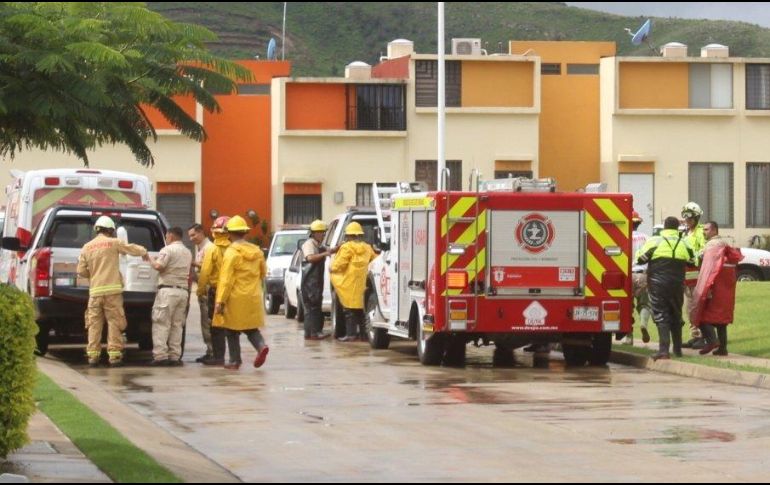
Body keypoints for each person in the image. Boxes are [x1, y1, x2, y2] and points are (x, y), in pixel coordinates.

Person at [77, 215, 149, 367]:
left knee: (94, 325)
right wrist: (144, 252)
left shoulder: (86, 247)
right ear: (110, 230)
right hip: (112, 292)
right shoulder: (113, 243)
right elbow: (131, 249)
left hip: (95, 292)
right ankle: (114, 357)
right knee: (114, 322)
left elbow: (81, 271)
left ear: (97, 229)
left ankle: (93, 357)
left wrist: (94, 274)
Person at [214, 215, 270, 370]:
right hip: (253, 295)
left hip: (235, 296)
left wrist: (220, 301)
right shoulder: (257, 252)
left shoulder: (231, 253)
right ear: (245, 232)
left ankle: (234, 360)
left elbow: (226, 280)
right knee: (251, 328)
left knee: (231, 330)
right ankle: (261, 346)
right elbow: (263, 272)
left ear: (229, 234)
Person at [636, 216, 694, 361]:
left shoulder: (655, 241)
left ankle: (663, 351)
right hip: (677, 284)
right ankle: (678, 350)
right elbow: (693, 260)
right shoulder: (684, 242)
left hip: (658, 284)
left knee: (661, 315)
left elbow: (640, 258)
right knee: (676, 313)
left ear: (664, 227)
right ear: (676, 228)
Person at [689, 221, 743, 356]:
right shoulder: (726, 245)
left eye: (706, 229)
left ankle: (712, 341)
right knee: (721, 321)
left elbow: (706, 267)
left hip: (714, 289)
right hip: (726, 291)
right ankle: (722, 349)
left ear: (714, 230)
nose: (704, 232)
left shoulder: (711, 246)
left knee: (699, 316)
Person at [148, 227, 192, 366]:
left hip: (167, 292)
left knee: (161, 323)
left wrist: (149, 259)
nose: (166, 238)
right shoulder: (188, 252)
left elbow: (159, 266)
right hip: (183, 292)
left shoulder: (167, 250)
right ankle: (175, 356)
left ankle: (160, 356)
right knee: (177, 325)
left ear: (171, 236)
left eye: (167, 235)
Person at [330, 222, 377, 342]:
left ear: (349, 235)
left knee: (349, 311)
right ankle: (364, 335)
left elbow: (338, 265)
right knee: (362, 311)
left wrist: (332, 268)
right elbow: (375, 260)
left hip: (349, 284)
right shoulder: (367, 247)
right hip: (363, 285)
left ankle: (351, 335)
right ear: (359, 235)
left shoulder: (347, 247)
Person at [197, 216, 231, 365]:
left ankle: (218, 357)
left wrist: (200, 290)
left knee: (215, 326)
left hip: (216, 291)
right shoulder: (235, 249)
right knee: (231, 326)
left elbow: (205, 272)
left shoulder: (212, 249)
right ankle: (234, 358)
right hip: (232, 291)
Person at [301, 220, 337, 340]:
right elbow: (310, 258)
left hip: (316, 282)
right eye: (321, 233)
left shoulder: (318, 245)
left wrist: (337, 248)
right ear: (315, 233)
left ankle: (314, 332)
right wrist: (325, 254)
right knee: (311, 308)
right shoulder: (309, 244)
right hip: (309, 282)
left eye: (323, 233)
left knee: (316, 306)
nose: (323, 235)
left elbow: (328, 250)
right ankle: (312, 333)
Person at [680, 201, 707, 349]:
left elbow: (703, 251)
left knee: (697, 307)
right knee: (689, 308)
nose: (687, 220)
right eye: (685, 217)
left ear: (696, 218)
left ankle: (702, 337)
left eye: (689, 218)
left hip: (697, 275)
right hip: (687, 277)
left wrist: (693, 258)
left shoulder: (701, 232)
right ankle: (695, 335)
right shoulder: (686, 233)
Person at [623, 211, 651, 345]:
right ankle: (644, 323)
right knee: (645, 304)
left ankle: (629, 337)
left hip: (627, 276)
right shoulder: (647, 238)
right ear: (638, 223)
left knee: (628, 307)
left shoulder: (622, 237)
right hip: (643, 275)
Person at [188, 223, 213, 362]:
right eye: (190, 236)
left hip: (208, 289)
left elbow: (208, 267)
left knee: (208, 322)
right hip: (202, 289)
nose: (191, 238)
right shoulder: (201, 248)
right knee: (204, 321)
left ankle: (212, 351)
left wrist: (193, 264)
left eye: (193, 235)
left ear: (201, 232)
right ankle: (209, 350)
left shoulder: (209, 248)